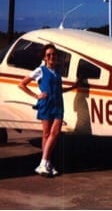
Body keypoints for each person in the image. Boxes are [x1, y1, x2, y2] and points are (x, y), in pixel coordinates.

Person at [18, 43, 76, 177]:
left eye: (54, 54)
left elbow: (59, 89)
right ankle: (46, 163)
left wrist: (74, 87)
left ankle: (44, 163)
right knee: (46, 135)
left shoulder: (57, 72)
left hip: (58, 105)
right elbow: (22, 84)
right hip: (46, 104)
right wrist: (36, 95)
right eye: (48, 55)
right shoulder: (40, 70)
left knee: (54, 134)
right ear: (44, 57)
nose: (51, 57)